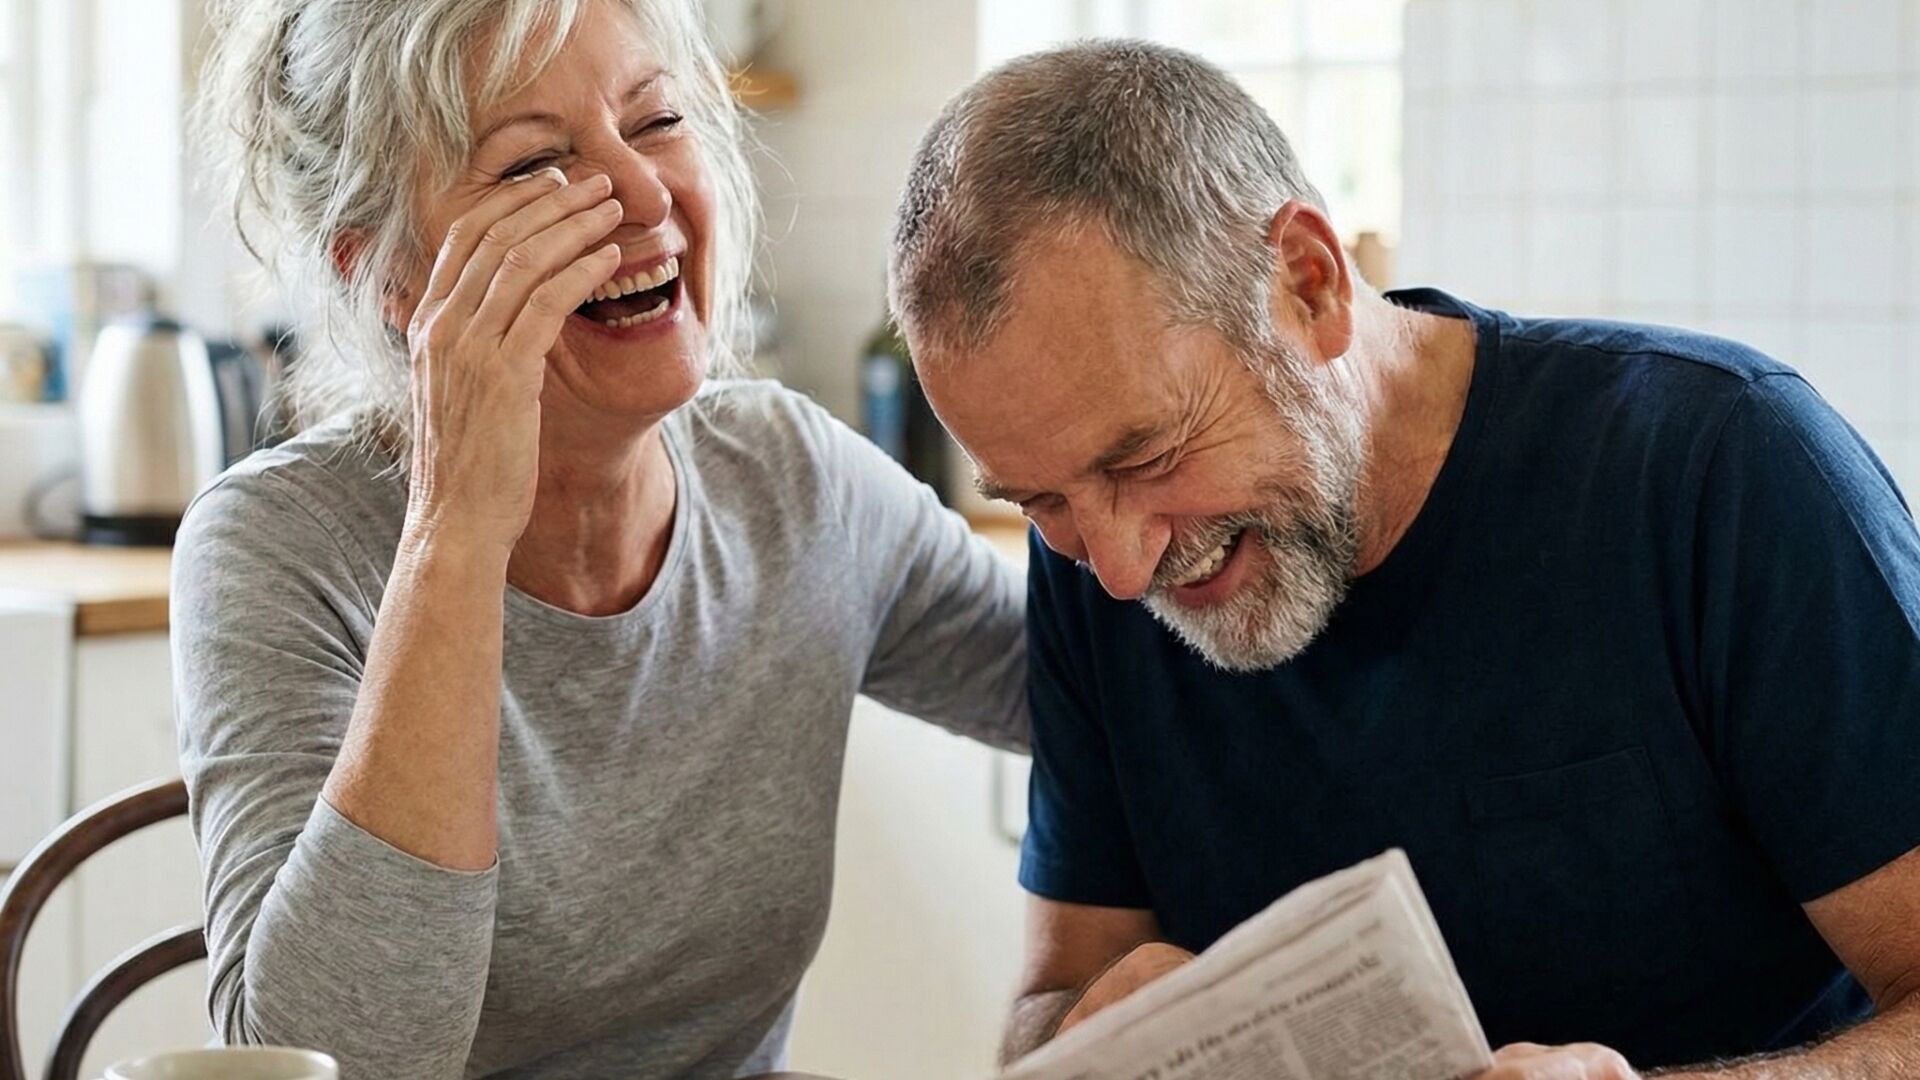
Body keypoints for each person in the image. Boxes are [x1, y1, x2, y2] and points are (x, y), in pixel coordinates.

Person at [888, 40, 1920, 1080]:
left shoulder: (1723, 469)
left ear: (1309, 285)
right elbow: (1051, 997)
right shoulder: (1096, 559)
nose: (1118, 568)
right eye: (1039, 500)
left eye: (1147, 456)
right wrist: (1079, 1032)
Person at [174, 1, 1025, 1077]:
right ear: (387, 276)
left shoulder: (792, 481)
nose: (643, 195)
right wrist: (457, 528)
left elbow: (1099, 684)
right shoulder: (280, 547)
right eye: (534, 168)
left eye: (655, 121)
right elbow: (330, 1061)